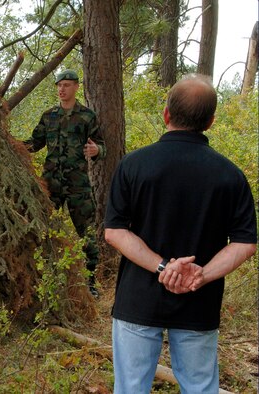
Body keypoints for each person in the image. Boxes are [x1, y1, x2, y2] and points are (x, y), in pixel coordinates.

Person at [104, 74, 257, 394]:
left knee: (130, 388)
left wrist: (163, 267)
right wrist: (199, 275)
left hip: (138, 299)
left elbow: (115, 232)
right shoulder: (230, 175)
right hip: (198, 302)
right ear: (211, 121)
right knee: (200, 387)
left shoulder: (133, 165)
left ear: (166, 114)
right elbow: (245, 242)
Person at [23, 69, 106, 296]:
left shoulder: (87, 116)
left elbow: (101, 145)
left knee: (87, 234)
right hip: (51, 185)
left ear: (77, 87)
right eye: (59, 85)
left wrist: (96, 149)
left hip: (78, 184)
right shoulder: (49, 116)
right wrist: (12, 145)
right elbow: (35, 143)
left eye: (67, 85)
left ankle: (90, 284)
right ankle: (44, 280)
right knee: (42, 231)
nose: (62, 89)